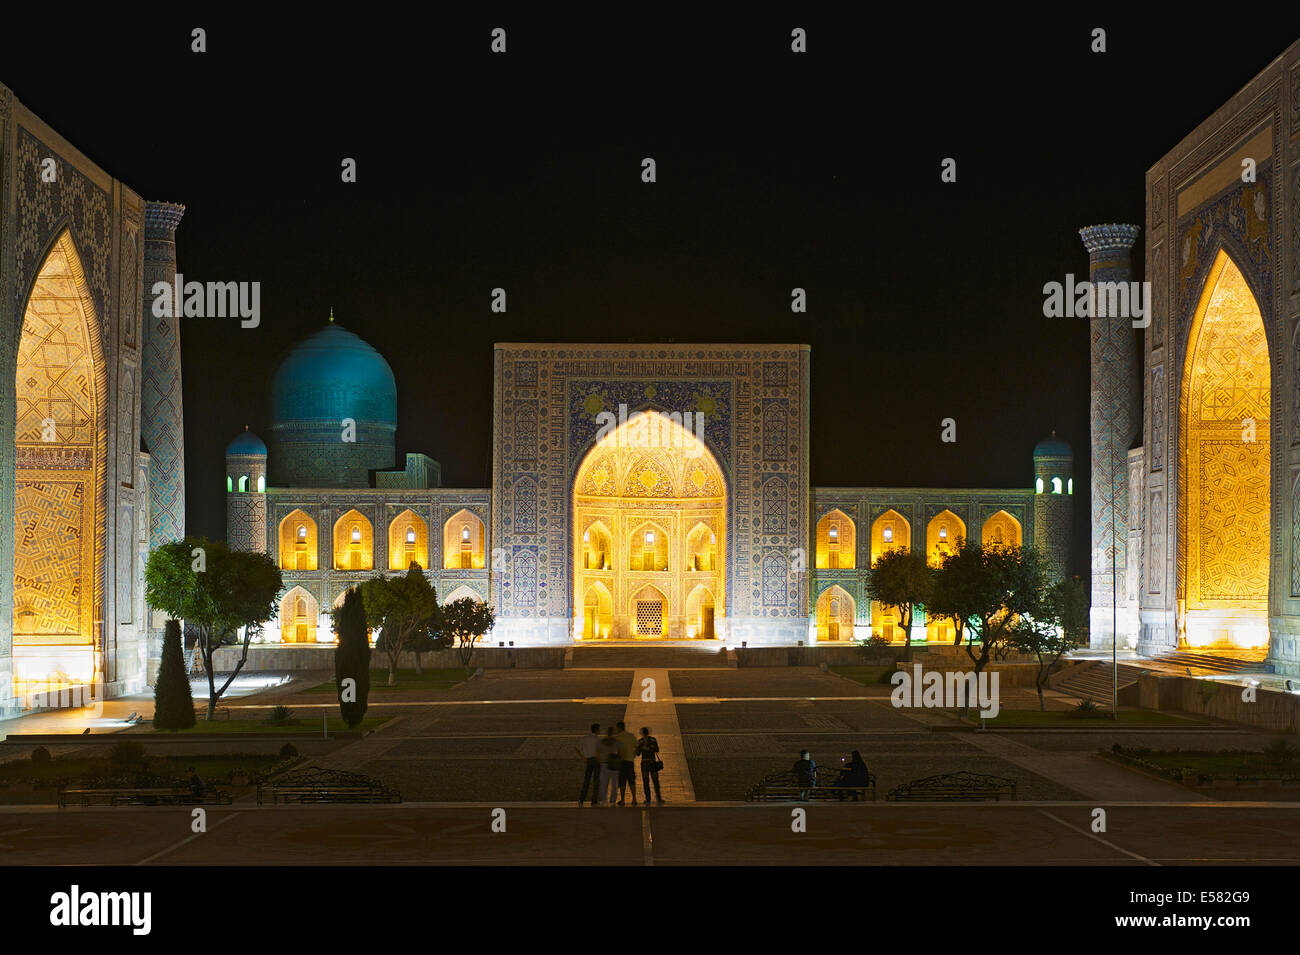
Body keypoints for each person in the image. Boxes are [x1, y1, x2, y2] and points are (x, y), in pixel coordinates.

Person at [575, 722, 603, 806]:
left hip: (588, 760)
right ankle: (594, 800)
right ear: (597, 730)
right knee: (596, 781)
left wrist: (583, 757)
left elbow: (577, 748)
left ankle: (581, 799)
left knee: (586, 780)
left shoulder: (585, 738)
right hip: (596, 761)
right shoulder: (598, 740)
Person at [635, 726, 664, 806]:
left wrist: (641, 747)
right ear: (648, 732)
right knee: (655, 780)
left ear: (642, 733)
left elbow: (637, 754)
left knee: (645, 781)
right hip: (652, 762)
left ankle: (648, 799)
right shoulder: (653, 740)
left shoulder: (640, 741)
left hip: (644, 763)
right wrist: (651, 748)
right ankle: (659, 797)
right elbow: (657, 750)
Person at [615, 720, 638, 806]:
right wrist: (633, 756)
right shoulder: (631, 736)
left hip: (621, 762)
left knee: (622, 781)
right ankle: (634, 799)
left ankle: (623, 799)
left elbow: (616, 751)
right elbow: (637, 747)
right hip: (629, 761)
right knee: (631, 780)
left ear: (619, 728)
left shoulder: (617, 738)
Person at [598, 727, 622, 807]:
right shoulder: (617, 742)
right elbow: (620, 752)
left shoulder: (602, 742)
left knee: (603, 784)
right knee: (614, 784)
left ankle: (604, 800)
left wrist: (600, 760)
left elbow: (598, 752)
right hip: (614, 764)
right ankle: (612, 801)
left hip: (604, 764)